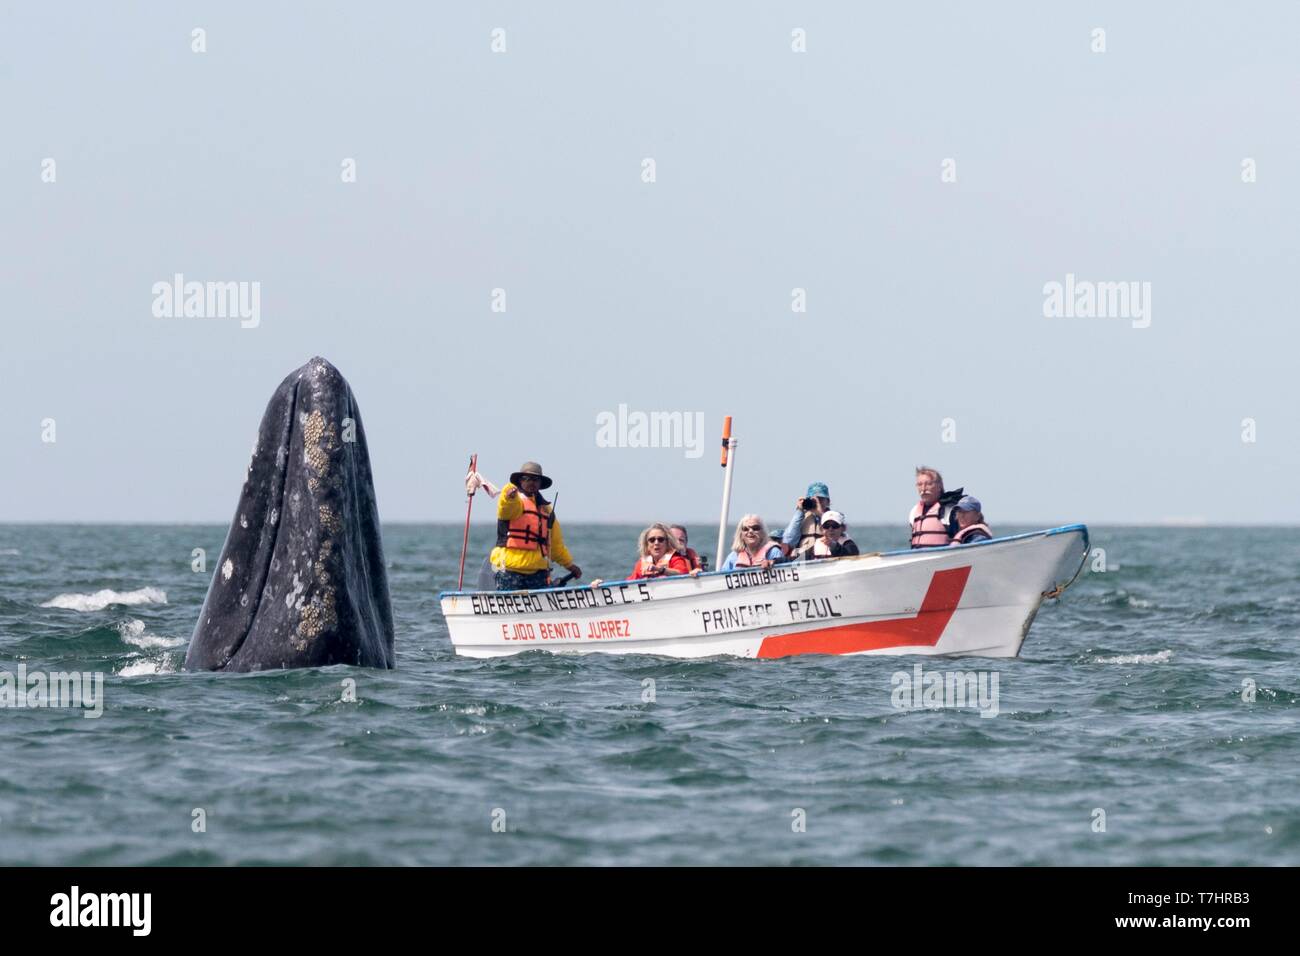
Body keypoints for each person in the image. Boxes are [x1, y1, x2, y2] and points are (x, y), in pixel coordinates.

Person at [490, 461, 581, 591]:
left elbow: (555, 545)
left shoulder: (547, 510)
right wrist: (508, 497)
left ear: (540, 483)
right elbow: (506, 509)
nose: (531, 482)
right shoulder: (513, 500)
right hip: (510, 571)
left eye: (536, 479)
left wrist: (570, 566)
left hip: (538, 573)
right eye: (527, 478)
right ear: (520, 481)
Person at [909, 466, 964, 549]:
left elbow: (961, 538)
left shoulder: (948, 509)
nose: (923, 489)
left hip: (943, 559)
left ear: (939, 487)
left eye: (929, 484)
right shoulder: (914, 512)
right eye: (920, 484)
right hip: (918, 559)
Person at [630, 524, 702, 579]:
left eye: (661, 539)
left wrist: (660, 570)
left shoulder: (676, 559)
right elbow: (630, 581)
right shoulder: (641, 563)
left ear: (667, 543)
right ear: (647, 545)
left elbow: (683, 573)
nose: (656, 543)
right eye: (652, 540)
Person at [721, 515, 785, 571]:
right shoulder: (733, 556)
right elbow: (721, 579)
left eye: (755, 528)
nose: (751, 531)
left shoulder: (774, 552)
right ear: (741, 535)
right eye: (745, 529)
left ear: (763, 533)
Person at [782, 481, 832, 553]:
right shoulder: (801, 517)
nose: (817, 502)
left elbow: (834, 536)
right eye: (813, 500)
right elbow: (789, 541)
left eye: (821, 499)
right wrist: (799, 511)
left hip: (824, 557)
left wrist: (820, 513)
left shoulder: (833, 518)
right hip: (804, 558)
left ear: (828, 501)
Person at [796, 510, 860, 559]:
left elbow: (851, 556)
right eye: (827, 526)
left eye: (834, 525)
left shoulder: (849, 544)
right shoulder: (814, 547)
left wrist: (834, 546)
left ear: (843, 528)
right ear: (821, 529)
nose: (830, 529)